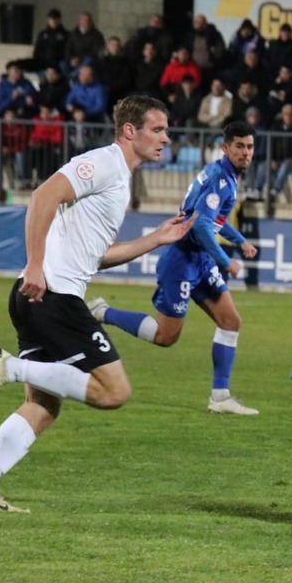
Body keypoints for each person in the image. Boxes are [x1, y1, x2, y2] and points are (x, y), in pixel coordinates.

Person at [0, 95, 191, 513]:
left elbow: (96, 256)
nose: (166, 137)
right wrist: (36, 263)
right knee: (115, 391)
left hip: (35, 296)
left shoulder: (120, 178)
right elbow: (42, 196)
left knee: (43, 405)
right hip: (53, 295)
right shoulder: (104, 163)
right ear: (130, 131)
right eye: (157, 129)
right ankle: (8, 366)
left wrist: (156, 239)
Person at [85, 121, 259, 415]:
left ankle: (220, 397)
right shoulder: (220, 178)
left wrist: (239, 240)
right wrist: (225, 260)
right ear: (225, 148)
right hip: (182, 260)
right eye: (240, 146)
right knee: (166, 337)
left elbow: (211, 218)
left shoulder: (223, 174)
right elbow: (202, 225)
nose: (246, 152)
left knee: (230, 321)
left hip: (199, 259)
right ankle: (102, 312)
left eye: (250, 147)